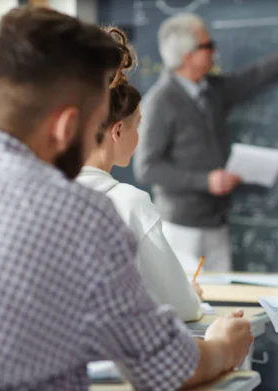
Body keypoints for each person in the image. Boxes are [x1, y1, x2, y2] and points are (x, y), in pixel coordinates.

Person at [0, 7, 251, 391]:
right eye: (95, 128)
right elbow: (165, 368)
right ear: (67, 127)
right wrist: (224, 345)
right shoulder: (79, 216)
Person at [133, 13, 278, 271]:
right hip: (181, 227)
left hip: (217, 222)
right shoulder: (159, 103)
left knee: (221, 299)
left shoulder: (212, 91)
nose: (214, 50)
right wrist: (205, 181)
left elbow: (256, 75)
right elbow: (147, 168)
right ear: (188, 56)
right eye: (207, 46)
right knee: (184, 303)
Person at [77, 28, 203, 322]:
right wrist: (189, 294)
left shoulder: (47, 193)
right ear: (118, 131)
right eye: (138, 125)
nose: (140, 136)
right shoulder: (129, 202)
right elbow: (181, 307)